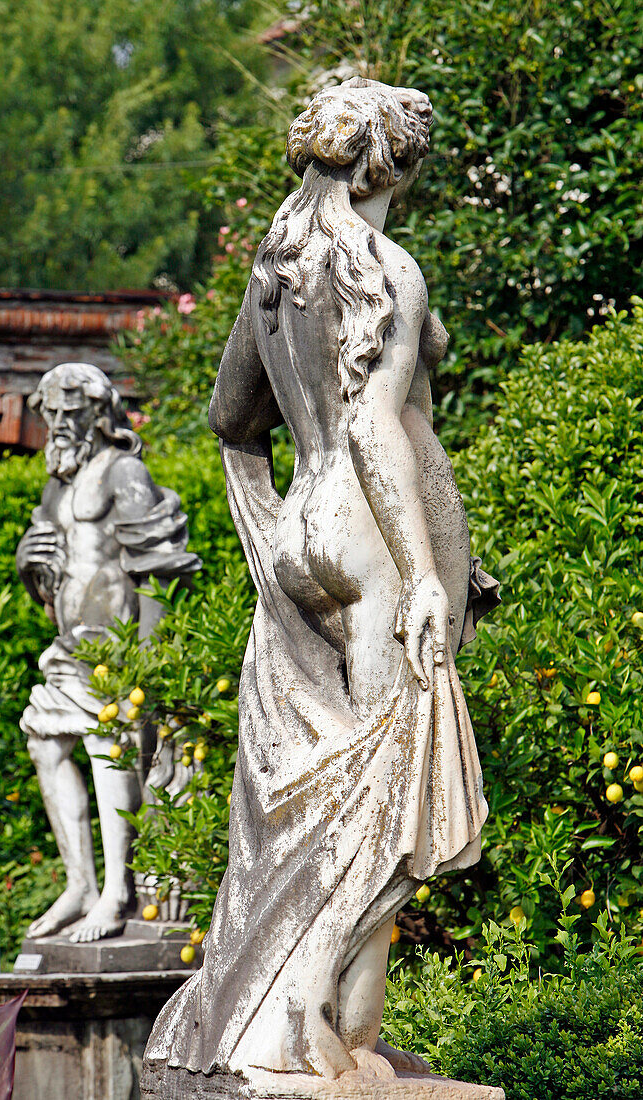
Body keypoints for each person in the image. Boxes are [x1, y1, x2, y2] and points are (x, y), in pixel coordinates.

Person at [144, 78, 498, 1090]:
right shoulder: (389, 268)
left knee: (304, 793)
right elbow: (381, 428)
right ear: (394, 163)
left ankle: (341, 1033)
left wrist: (266, 526)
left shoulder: (276, 275)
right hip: (370, 544)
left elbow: (229, 419)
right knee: (387, 789)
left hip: (303, 528)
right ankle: (298, 1022)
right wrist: (427, 572)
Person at [16, 362, 200, 942]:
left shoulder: (126, 472)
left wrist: (152, 658)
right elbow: (49, 583)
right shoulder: (57, 485)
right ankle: (81, 885)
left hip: (121, 654)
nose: (60, 424)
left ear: (100, 414)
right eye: (52, 415)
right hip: (70, 648)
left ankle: (118, 891)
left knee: (107, 751)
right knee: (46, 746)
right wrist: (29, 564)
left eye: (71, 413)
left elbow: (160, 570)